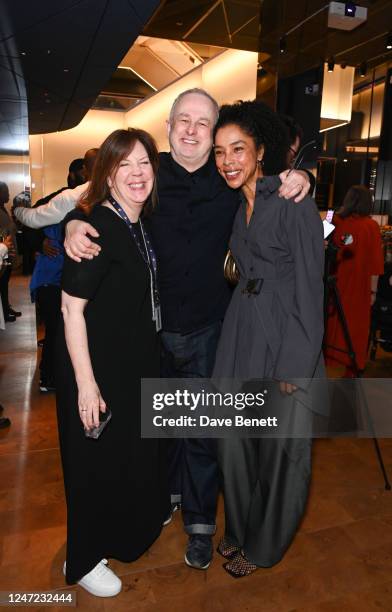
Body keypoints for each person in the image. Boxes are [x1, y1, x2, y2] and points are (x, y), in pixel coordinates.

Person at [58, 88, 312, 571]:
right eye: (183, 121)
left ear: (215, 131)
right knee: (154, 430)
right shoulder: (148, 179)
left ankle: (199, 523)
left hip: (212, 330)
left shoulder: (230, 181)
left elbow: (274, 180)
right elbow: (98, 198)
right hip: (149, 335)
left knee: (201, 432)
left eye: (203, 123)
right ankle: (161, 502)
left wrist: (305, 178)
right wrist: (74, 222)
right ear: (169, 127)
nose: (192, 130)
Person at [212, 100, 326, 577]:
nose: (228, 161)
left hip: (285, 338)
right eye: (219, 152)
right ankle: (239, 529)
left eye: (238, 149)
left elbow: (309, 286)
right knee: (234, 443)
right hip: (242, 333)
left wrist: (294, 367)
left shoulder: (294, 203)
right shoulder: (241, 209)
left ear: (261, 150)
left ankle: (263, 547)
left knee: (281, 454)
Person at [56, 129, 169, 597]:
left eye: (143, 163)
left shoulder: (138, 221)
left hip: (130, 363)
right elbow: (70, 308)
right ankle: (81, 559)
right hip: (96, 370)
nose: (137, 173)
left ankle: (120, 535)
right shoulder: (98, 227)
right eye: (125, 165)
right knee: (93, 465)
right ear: (107, 173)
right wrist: (86, 384)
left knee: (124, 458)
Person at [325, 185, 384, 375]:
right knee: (355, 327)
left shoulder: (332, 218)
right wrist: (373, 292)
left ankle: (325, 360)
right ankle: (353, 365)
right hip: (360, 286)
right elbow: (375, 263)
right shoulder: (372, 226)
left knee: (331, 323)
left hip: (334, 281)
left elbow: (317, 240)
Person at [0, 182, 21, 322]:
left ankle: (6, 308)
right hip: (3, 254)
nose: (8, 194)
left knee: (4, 283)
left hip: (7, 252)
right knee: (2, 283)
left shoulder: (3, 209)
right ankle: (4, 311)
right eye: (5, 191)